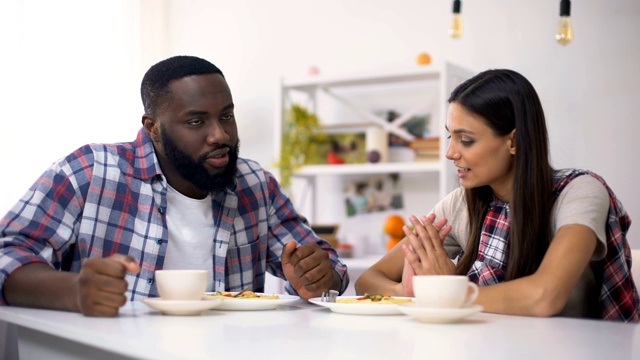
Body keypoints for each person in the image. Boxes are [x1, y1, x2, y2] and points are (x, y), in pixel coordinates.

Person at [0, 55, 349, 317]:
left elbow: (328, 268)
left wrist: (320, 278)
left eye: (226, 115)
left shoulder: (254, 184)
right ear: (152, 127)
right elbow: (8, 253)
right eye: (196, 121)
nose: (220, 134)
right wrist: (74, 291)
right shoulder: (91, 172)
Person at [355, 69, 639, 322]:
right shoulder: (460, 203)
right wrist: (410, 292)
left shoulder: (580, 192)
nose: (450, 153)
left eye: (466, 140)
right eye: (449, 137)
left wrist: (447, 292)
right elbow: (368, 280)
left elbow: (544, 296)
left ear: (513, 141)